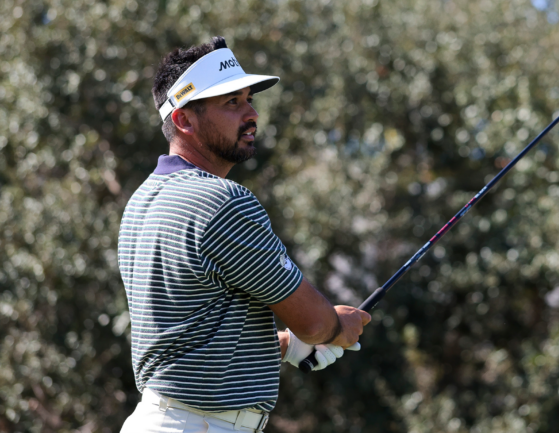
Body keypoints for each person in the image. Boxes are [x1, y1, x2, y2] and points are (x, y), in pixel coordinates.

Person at [117, 36, 371, 433]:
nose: (251, 113)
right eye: (231, 103)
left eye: (249, 99)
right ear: (184, 119)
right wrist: (336, 327)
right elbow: (314, 323)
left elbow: (191, 335)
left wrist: (284, 345)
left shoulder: (141, 202)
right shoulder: (223, 201)